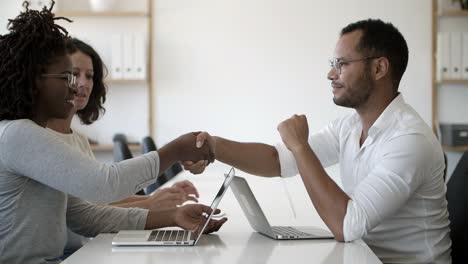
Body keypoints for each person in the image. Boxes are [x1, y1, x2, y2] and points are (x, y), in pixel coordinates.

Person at [186, 19, 451, 263]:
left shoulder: (409, 140)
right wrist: (214, 146)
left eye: (342, 64)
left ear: (379, 68)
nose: (330, 74)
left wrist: (300, 146)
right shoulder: (349, 126)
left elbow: (346, 225)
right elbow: (279, 160)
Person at [0, 2, 226, 264]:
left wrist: (172, 217)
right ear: (34, 79)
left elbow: (82, 217)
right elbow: (104, 184)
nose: (75, 89)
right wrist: (174, 151)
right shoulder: (17, 133)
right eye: (67, 77)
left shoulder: (30, 135)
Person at [47, 38, 200, 210]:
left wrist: (155, 199)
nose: (83, 83)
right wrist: (151, 202)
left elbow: (98, 200)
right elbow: (100, 192)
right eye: (74, 74)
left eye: (89, 76)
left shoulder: (79, 140)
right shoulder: (43, 138)